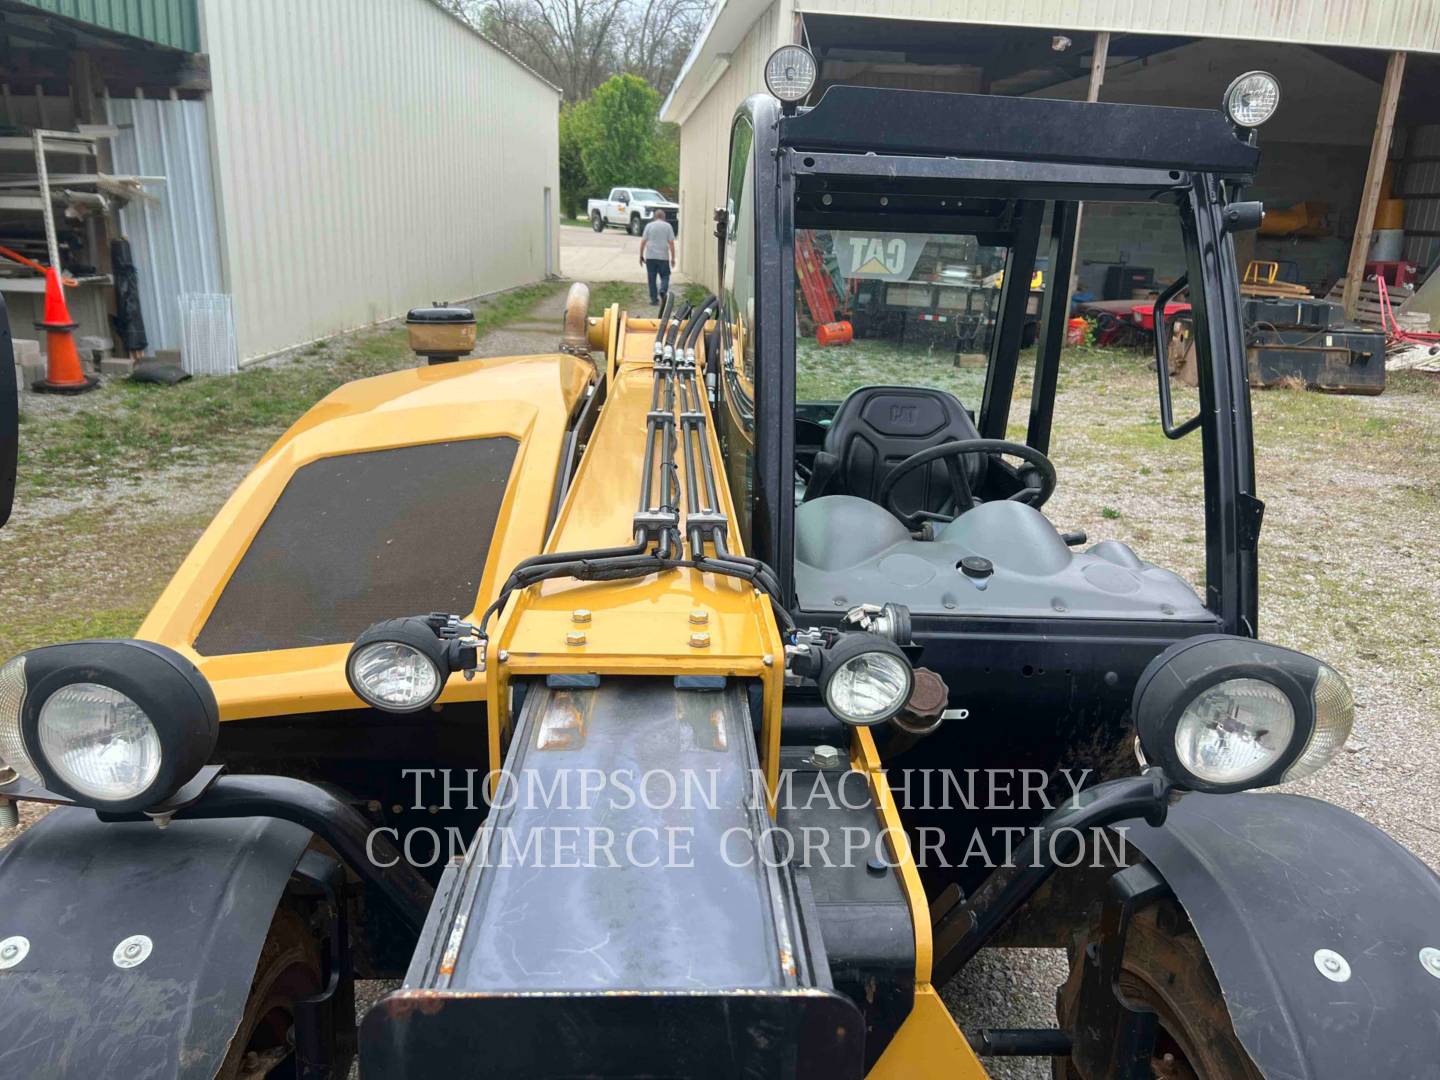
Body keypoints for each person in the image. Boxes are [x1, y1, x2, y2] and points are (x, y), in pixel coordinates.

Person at [640, 209, 677, 306]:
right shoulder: (668, 226)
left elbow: (643, 241)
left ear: (654, 216)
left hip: (650, 257)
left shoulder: (649, 226)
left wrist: (641, 255)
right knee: (665, 276)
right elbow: (671, 243)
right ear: (663, 217)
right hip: (663, 257)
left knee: (651, 278)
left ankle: (654, 299)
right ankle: (663, 290)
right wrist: (673, 258)